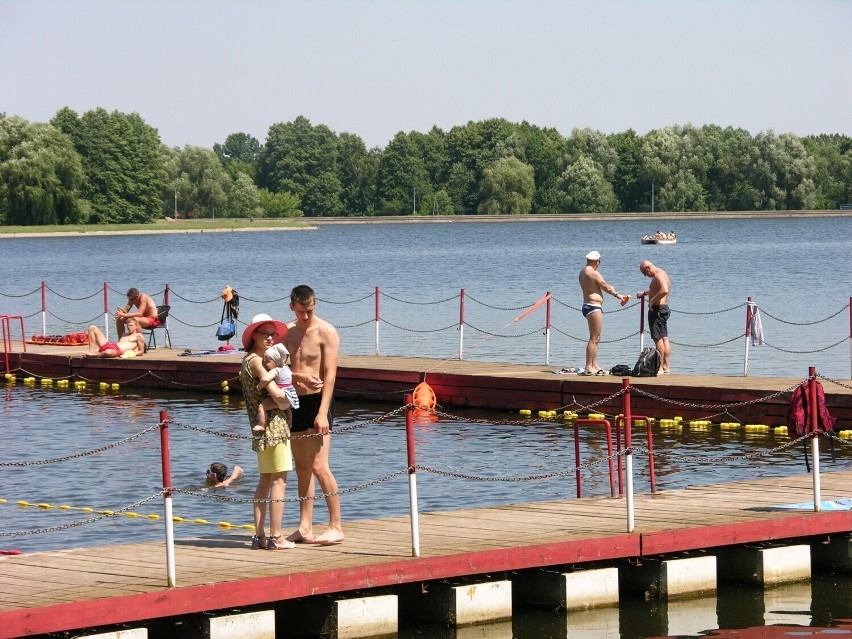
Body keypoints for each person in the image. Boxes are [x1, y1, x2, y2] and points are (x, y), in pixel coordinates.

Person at [283, 284, 344, 545]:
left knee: (320, 466)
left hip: (320, 400)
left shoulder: (326, 332)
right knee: (302, 468)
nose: (305, 316)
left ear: (315, 304)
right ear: (292, 307)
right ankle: (305, 527)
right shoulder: (287, 331)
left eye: (308, 311)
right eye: (300, 312)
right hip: (296, 402)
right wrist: (298, 376)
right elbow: (280, 368)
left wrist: (322, 413)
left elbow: (330, 375)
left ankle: (336, 526)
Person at [239, 313, 296, 550]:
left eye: (274, 334)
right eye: (266, 334)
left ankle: (259, 536)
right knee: (279, 481)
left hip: (261, 427)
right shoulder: (256, 361)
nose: (272, 338)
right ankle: (276, 537)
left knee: (265, 480)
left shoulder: (248, 359)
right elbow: (278, 393)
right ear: (254, 335)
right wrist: (288, 397)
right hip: (274, 426)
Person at [578, 251, 628, 376]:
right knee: (594, 337)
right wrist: (618, 295)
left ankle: (595, 365)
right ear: (597, 261)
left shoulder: (582, 272)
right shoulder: (593, 273)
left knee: (597, 337)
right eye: (599, 262)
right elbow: (605, 286)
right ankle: (588, 366)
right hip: (593, 306)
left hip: (587, 305)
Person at [253, 343, 299, 434]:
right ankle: (289, 423)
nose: (265, 362)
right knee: (287, 409)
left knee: (262, 407)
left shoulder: (275, 370)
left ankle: (261, 425)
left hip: (282, 394)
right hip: (290, 395)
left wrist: (259, 386)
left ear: (276, 360)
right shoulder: (286, 368)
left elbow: (266, 379)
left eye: (267, 361)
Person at [637, 260, 672, 374]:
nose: (646, 276)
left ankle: (660, 367)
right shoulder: (661, 273)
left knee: (658, 339)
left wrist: (652, 301)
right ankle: (666, 367)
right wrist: (645, 293)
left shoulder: (657, 275)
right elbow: (655, 289)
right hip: (663, 309)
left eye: (645, 273)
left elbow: (664, 290)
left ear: (648, 268)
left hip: (657, 310)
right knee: (664, 338)